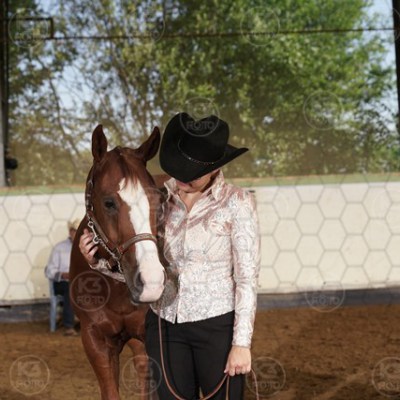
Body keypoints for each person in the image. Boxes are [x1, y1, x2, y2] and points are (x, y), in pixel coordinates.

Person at [79, 113, 260, 399]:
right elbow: (146, 268)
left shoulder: (237, 203)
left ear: (215, 168)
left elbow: (247, 280)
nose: (183, 177)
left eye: (193, 172)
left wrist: (241, 344)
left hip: (216, 327)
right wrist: (98, 263)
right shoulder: (160, 199)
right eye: (179, 168)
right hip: (165, 328)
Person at [45, 219, 80, 336]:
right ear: (70, 232)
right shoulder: (59, 248)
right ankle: (69, 326)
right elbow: (49, 270)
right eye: (75, 231)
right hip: (62, 282)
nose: (78, 234)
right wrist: (64, 274)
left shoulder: (86, 248)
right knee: (70, 287)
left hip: (80, 282)